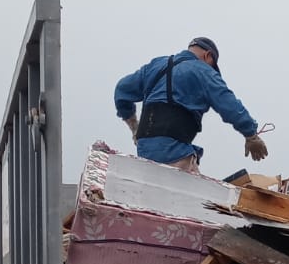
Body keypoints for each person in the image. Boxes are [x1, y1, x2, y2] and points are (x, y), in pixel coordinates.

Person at [114, 36, 269, 171]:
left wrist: (134, 127)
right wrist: (251, 135)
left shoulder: (154, 66)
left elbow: (121, 90)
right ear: (208, 56)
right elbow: (229, 104)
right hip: (174, 152)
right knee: (199, 202)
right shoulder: (203, 71)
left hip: (145, 150)